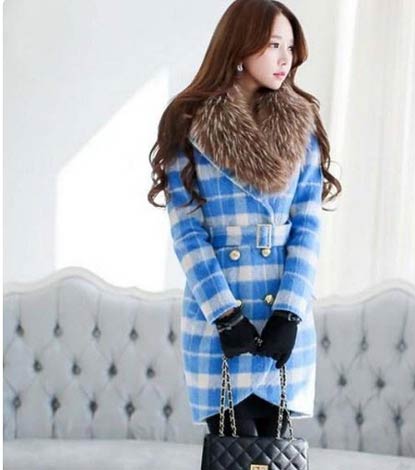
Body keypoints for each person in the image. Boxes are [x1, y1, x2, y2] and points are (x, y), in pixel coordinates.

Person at [147, 0, 341, 443]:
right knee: (232, 455)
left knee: (275, 457)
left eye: (289, 46)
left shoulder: (302, 124)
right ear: (240, 45)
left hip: (282, 319)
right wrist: (225, 315)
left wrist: (289, 312)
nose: (284, 58)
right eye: (273, 45)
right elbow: (187, 232)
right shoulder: (188, 123)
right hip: (219, 323)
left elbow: (308, 227)